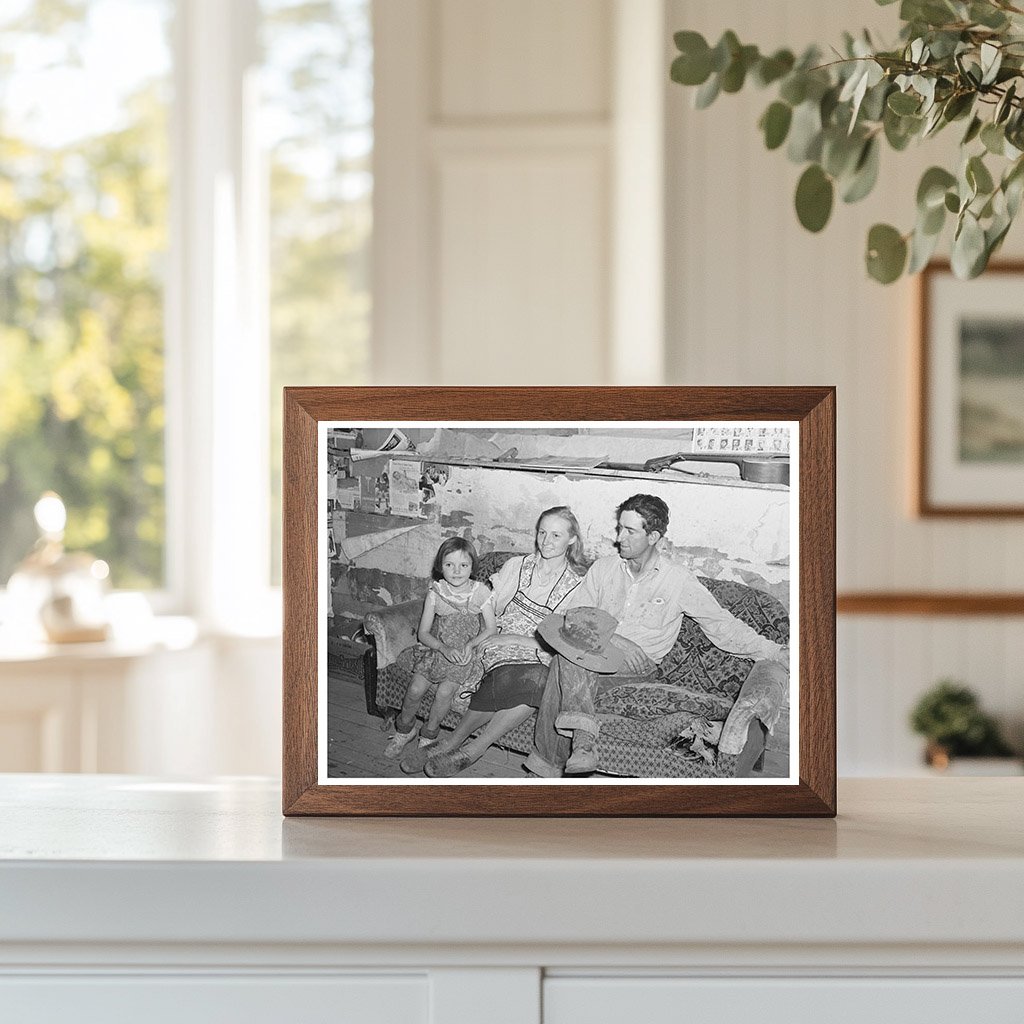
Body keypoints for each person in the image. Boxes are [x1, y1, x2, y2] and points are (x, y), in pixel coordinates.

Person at [522, 493, 789, 777]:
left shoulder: (677, 580)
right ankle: (583, 747)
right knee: (568, 660)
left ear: (653, 537)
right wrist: (615, 638)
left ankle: (545, 769)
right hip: (593, 652)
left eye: (629, 531)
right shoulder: (604, 568)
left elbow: (721, 624)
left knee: (565, 664)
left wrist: (774, 651)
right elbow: (574, 615)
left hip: (636, 667)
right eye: (619, 528)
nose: (619, 537)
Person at [403, 506, 588, 776]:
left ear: (572, 540)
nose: (546, 541)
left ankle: (466, 747)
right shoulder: (517, 566)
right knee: (526, 677)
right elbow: (487, 610)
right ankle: (458, 745)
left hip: (540, 649)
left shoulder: (578, 584)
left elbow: (568, 638)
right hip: (499, 642)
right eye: (542, 533)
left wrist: (525, 642)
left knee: (539, 678)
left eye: (556, 535)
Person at [383, 537, 497, 759]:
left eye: (463, 565)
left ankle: (429, 735)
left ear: (472, 566)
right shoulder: (436, 592)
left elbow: (491, 629)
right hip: (437, 648)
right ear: (440, 565)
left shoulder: (480, 592)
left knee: (445, 693)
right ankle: (404, 730)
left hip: (464, 653)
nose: (456, 571)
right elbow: (423, 633)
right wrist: (443, 648)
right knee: (415, 689)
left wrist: (470, 645)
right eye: (449, 565)